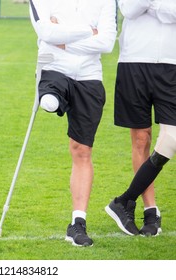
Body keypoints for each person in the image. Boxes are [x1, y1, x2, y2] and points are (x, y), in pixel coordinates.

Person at [29, 0, 117, 246]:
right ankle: (52, 97)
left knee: (82, 150)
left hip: (90, 77)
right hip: (54, 69)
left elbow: (108, 43)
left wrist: (64, 40)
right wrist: (89, 30)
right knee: (49, 100)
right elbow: (46, 33)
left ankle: (78, 224)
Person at [105, 0, 176, 236]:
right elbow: (130, 9)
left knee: (172, 139)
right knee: (141, 140)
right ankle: (150, 211)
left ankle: (125, 200)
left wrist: (153, 5)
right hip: (133, 61)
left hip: (171, 63)